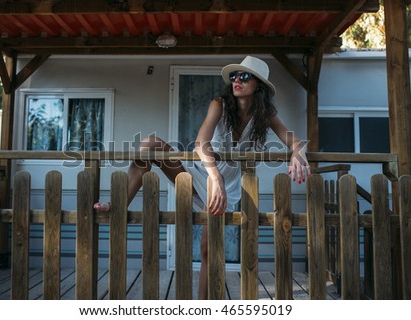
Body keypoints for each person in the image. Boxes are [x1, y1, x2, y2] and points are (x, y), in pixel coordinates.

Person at [94, 55, 311, 299]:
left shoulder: (265, 115)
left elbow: (296, 141)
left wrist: (298, 154)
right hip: (203, 175)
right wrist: (215, 178)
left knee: (208, 250)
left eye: (244, 76)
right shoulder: (219, 104)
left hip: (229, 190)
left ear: (258, 86)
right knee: (149, 144)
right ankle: (117, 204)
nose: (237, 80)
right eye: (234, 76)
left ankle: (203, 306)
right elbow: (201, 143)